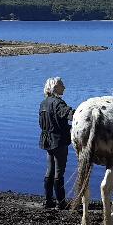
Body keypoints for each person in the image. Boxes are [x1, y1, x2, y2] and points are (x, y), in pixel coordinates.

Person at [39, 76, 74, 209]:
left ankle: (48, 201)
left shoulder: (44, 103)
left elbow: (41, 124)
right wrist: (84, 114)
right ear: (55, 87)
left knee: (50, 170)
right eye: (62, 85)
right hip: (59, 142)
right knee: (59, 172)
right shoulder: (58, 103)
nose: (64, 87)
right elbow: (70, 115)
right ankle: (61, 202)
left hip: (47, 141)